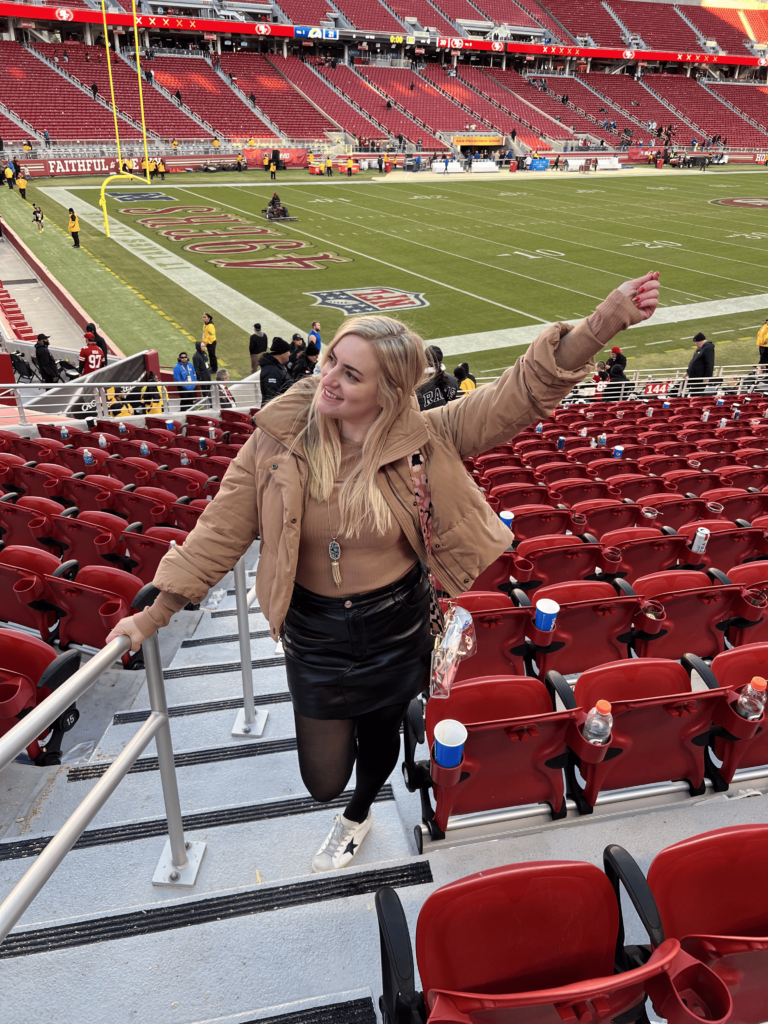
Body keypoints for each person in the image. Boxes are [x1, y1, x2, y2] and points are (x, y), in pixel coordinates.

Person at [105, 271, 661, 873]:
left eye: (351, 373)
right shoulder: (275, 442)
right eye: (330, 362)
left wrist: (601, 324)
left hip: (396, 624)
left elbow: (519, 395)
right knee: (321, 776)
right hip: (314, 633)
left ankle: (361, 812)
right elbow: (220, 529)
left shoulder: (427, 436)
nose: (329, 380)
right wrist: (152, 614)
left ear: (390, 390)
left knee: (375, 743)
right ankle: (350, 789)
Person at [415, 345, 460, 410]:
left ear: (424, 359)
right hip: (446, 419)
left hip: (427, 419)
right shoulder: (453, 380)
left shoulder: (417, 384)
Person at [260, 337, 292, 404]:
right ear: (282, 353)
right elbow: (271, 397)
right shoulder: (272, 371)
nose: (289, 354)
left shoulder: (277, 367)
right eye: (288, 351)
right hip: (277, 411)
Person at [193, 339, 212, 403]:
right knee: (205, 390)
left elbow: (206, 361)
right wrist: (199, 377)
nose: (204, 347)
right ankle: (207, 403)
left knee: (209, 389)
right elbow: (196, 368)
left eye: (204, 346)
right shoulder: (196, 357)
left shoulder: (204, 354)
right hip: (203, 376)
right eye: (202, 346)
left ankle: (211, 401)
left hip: (207, 374)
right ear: (199, 347)